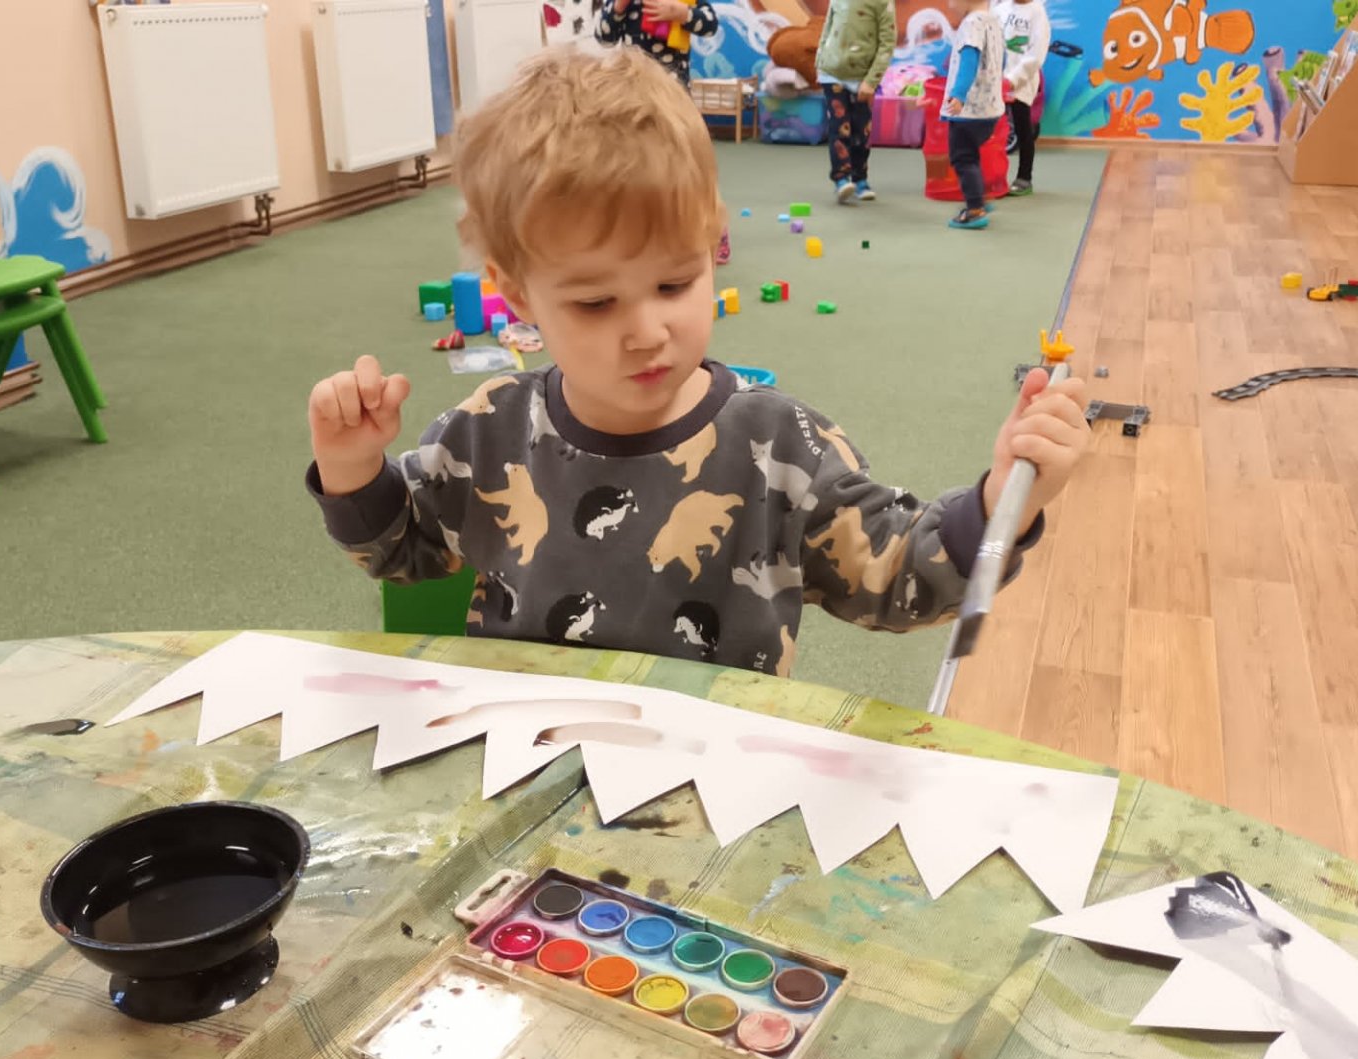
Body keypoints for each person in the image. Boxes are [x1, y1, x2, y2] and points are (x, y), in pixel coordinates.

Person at [305, 47, 1089, 677]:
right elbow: (404, 552)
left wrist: (1002, 502)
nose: (647, 331)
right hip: (528, 758)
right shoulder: (488, 431)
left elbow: (897, 580)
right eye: (595, 302)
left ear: (713, 248)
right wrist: (351, 468)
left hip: (708, 778)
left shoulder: (781, 445)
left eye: (674, 284)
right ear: (517, 296)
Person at [595, 0, 731, 262]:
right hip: (634, 96)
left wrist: (683, 13)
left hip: (673, 95)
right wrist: (619, 8)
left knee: (688, 162)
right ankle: (644, 229)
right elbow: (604, 36)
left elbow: (710, 24)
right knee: (636, 163)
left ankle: (713, 227)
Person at [816, 0, 898, 205]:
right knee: (839, 127)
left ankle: (860, 178)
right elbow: (828, 27)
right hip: (832, 74)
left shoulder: (883, 3)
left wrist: (871, 81)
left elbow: (887, 43)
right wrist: (820, 61)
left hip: (862, 79)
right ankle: (841, 178)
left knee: (861, 132)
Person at [940, 0, 1006, 229]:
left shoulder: (971, 24)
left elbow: (969, 60)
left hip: (970, 110)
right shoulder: (993, 21)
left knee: (963, 158)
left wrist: (958, 95)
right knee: (971, 156)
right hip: (989, 108)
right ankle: (978, 197)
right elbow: (1000, 60)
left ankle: (975, 209)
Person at [994, 0, 1048, 196]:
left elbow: (1036, 54)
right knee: (992, 131)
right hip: (996, 81)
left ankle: (1024, 178)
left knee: (1023, 128)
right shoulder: (1000, 9)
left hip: (1021, 83)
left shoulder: (1037, 13)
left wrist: (1014, 79)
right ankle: (992, 176)